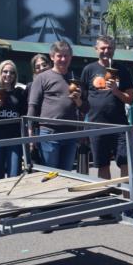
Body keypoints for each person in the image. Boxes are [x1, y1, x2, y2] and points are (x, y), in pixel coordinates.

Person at [27, 40, 89, 171]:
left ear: (71, 57)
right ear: (52, 57)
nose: (63, 59)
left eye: (66, 56)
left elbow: (86, 108)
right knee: (50, 174)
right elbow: (33, 106)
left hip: (70, 134)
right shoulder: (42, 77)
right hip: (49, 133)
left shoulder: (75, 79)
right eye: (59, 56)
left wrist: (78, 100)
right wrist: (30, 133)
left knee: (67, 174)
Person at [81, 35, 133, 180]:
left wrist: (116, 91)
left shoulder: (122, 70)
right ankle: (108, 199)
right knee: (102, 165)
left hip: (119, 126)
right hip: (96, 125)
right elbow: (83, 101)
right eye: (103, 48)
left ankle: (127, 199)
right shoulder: (88, 69)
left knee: (125, 163)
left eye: (110, 48)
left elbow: (130, 99)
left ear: (114, 49)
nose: (106, 51)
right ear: (96, 49)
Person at [0, 60, 28, 179]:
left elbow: (24, 115)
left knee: (14, 174)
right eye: (5, 71)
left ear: (15, 75)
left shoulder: (20, 93)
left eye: (12, 72)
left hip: (14, 140)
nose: (8, 75)